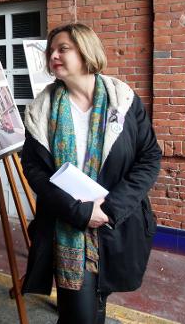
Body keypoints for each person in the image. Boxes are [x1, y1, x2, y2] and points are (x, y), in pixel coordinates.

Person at [21, 23, 162, 324]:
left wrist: (109, 209)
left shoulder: (123, 100)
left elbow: (149, 157)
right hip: (68, 226)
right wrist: (81, 211)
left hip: (115, 228)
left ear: (86, 52)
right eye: (51, 51)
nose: (53, 55)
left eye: (63, 49)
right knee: (81, 316)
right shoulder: (40, 110)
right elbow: (33, 169)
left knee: (94, 308)